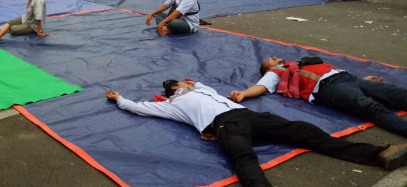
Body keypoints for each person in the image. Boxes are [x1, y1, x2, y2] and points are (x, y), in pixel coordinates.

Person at [107, 79, 407, 187]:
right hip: (225, 125)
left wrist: (196, 83)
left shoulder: (202, 89)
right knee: (242, 156)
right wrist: (120, 98)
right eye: (182, 85)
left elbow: (204, 87)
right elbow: (141, 108)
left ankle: (377, 152)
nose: (187, 85)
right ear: (174, 90)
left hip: (249, 116)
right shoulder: (174, 104)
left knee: (304, 131)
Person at [229, 56, 407, 138]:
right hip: (329, 87)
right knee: (372, 107)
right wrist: (244, 93)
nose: (272, 57)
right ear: (267, 69)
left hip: (349, 79)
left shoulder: (297, 63)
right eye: (268, 60)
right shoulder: (275, 73)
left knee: (398, 94)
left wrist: (363, 80)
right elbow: (261, 87)